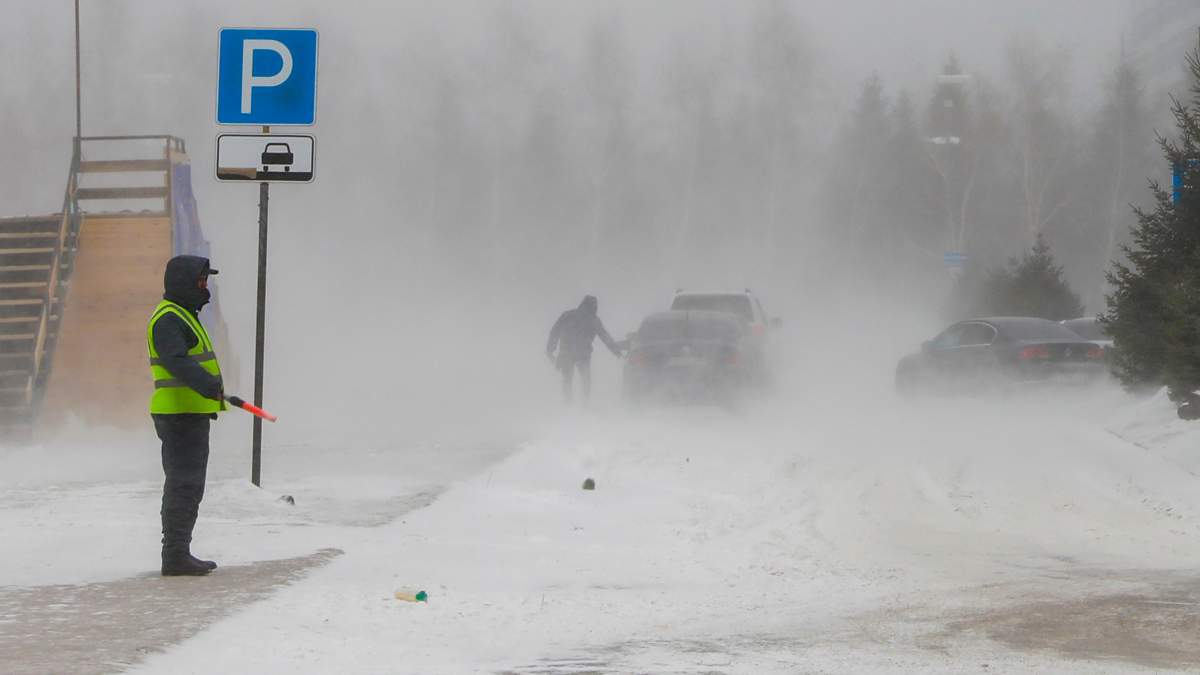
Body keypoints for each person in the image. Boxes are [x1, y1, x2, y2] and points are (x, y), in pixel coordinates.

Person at [147, 255, 226, 576]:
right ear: (183, 283)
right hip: (179, 415)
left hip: (188, 413)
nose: (205, 288)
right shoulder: (169, 319)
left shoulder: (183, 315)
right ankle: (175, 554)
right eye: (200, 282)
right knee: (183, 484)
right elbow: (175, 360)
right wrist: (208, 385)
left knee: (189, 485)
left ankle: (179, 552)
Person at [546, 295, 623, 402]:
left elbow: (555, 332)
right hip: (583, 355)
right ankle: (585, 404)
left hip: (566, 352)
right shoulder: (593, 320)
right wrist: (616, 351)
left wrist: (550, 349)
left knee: (567, 380)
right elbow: (604, 336)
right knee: (585, 381)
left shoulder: (567, 315)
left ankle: (568, 405)